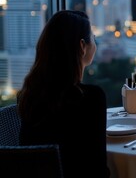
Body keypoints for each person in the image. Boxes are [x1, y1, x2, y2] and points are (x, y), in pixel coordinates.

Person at [17, 10, 110, 177]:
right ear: (82, 46)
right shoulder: (91, 98)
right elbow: (97, 169)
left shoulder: (30, 95)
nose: (95, 44)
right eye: (93, 38)